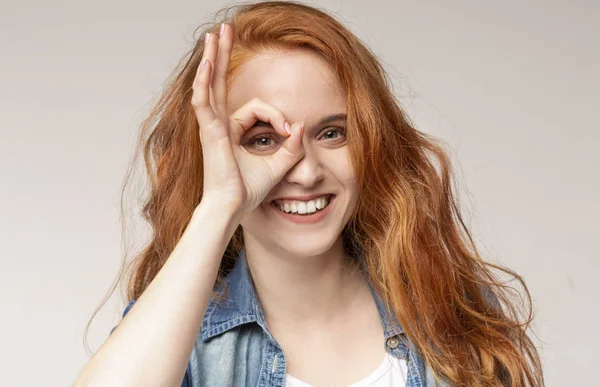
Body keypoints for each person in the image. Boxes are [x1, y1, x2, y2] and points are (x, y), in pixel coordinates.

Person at [74, 2, 544, 386]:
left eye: (333, 133)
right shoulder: (181, 340)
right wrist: (219, 205)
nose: (306, 171)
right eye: (263, 139)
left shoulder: (448, 308)